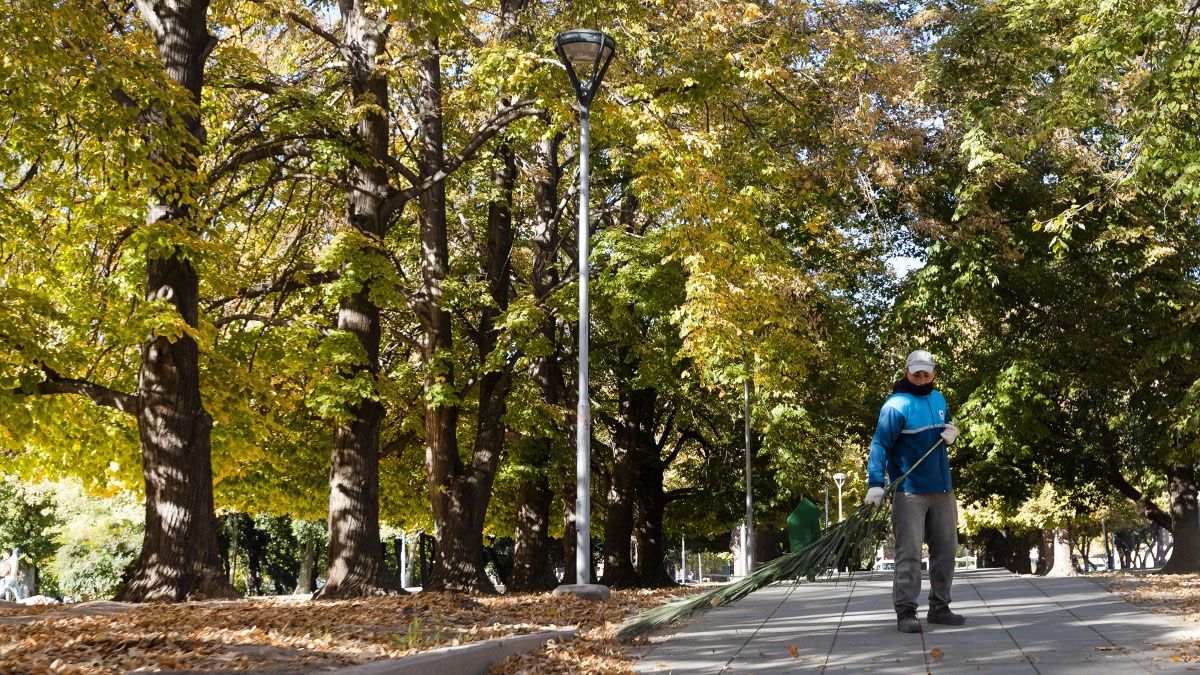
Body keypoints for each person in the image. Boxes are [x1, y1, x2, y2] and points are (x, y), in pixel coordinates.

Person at [865, 350, 962, 633]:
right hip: (910, 492)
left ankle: (940, 608)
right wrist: (875, 483)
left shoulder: (939, 399)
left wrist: (951, 437)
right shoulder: (896, 406)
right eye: (916, 374)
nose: (921, 379)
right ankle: (906, 612)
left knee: (946, 551)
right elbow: (880, 445)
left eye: (926, 374)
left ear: (933, 373)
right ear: (907, 372)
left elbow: (947, 428)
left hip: (943, 490)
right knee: (908, 553)